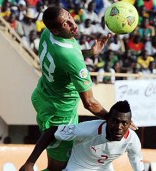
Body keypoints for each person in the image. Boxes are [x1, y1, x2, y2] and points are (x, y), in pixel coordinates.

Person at [24, 5, 130, 171]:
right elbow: (89, 103)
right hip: (59, 112)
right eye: (65, 24)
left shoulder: (47, 33)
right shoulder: (71, 57)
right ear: (56, 30)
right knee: (58, 168)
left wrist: (89, 52)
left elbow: (65, 57)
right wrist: (115, 119)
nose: (72, 24)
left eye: (69, 17)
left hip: (44, 95)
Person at [20, 100, 144, 171]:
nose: (118, 127)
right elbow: (51, 131)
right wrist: (30, 163)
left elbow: (138, 165)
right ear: (107, 120)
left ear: (129, 124)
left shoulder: (132, 141)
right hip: (78, 167)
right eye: (115, 121)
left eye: (124, 123)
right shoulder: (89, 129)